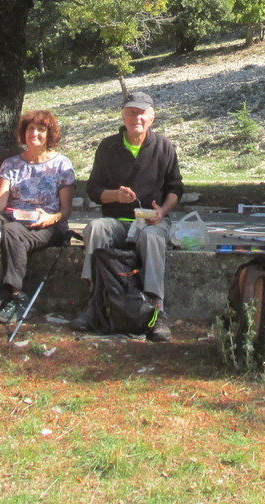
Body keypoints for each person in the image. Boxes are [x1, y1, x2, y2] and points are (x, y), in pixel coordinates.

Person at [70, 92, 183, 342]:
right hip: (117, 221)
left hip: (151, 220)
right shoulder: (108, 146)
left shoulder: (164, 146)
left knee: (153, 237)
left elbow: (176, 188)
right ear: (123, 116)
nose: (137, 118)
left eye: (142, 113)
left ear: (152, 118)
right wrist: (114, 196)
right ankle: (94, 303)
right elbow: (93, 190)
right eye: (131, 112)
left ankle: (156, 310)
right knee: (95, 228)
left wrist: (162, 211)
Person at [0, 110, 75, 323]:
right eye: (31, 129)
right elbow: (1, 200)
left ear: (49, 134)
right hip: (15, 217)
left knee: (11, 232)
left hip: (48, 223)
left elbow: (66, 209)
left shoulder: (62, 164)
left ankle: (16, 295)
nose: (35, 133)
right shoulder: (11, 164)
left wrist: (50, 219)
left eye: (41, 129)